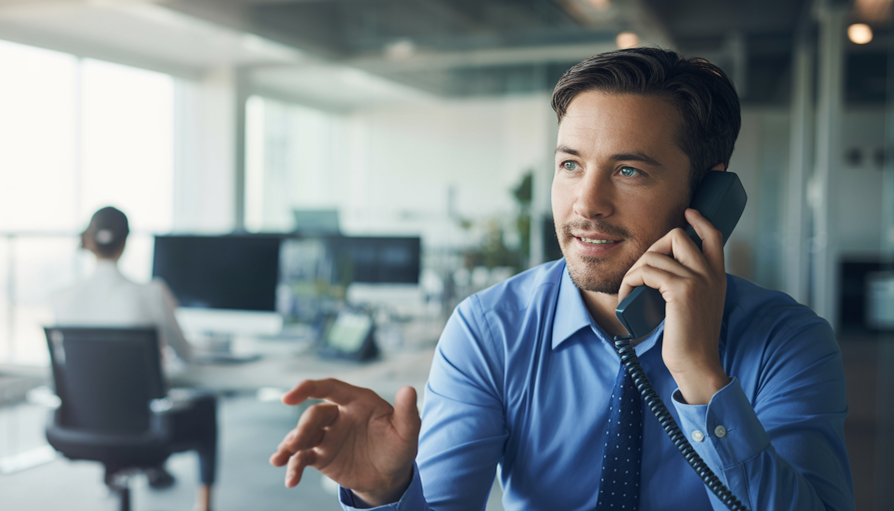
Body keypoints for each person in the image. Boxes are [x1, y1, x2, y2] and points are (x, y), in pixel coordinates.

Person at [269, 48, 854, 511]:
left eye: (628, 170)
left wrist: (701, 376)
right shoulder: (490, 330)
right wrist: (386, 493)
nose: (586, 204)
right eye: (570, 164)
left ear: (707, 194)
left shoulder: (787, 341)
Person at [52, 206, 217, 511]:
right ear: (126, 242)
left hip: (80, 425)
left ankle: (116, 472)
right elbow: (187, 356)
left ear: (89, 242)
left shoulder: (62, 297)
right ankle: (204, 505)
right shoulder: (152, 293)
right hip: (147, 428)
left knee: (114, 412)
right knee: (207, 407)